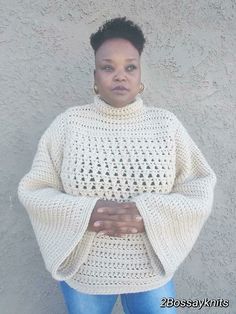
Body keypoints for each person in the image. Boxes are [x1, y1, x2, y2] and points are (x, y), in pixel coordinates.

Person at [17, 17, 217, 314]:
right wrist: (87, 212)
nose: (120, 76)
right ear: (95, 76)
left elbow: (199, 187)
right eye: (108, 67)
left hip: (151, 272)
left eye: (130, 67)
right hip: (86, 274)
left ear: (139, 75)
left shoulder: (166, 125)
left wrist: (147, 214)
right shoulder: (69, 125)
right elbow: (35, 190)